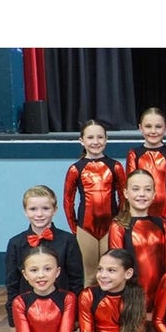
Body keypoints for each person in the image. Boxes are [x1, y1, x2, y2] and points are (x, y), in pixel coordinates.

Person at [108, 168, 166, 332]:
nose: (142, 194)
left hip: (159, 299)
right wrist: (134, 305)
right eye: (136, 189)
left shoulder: (162, 224)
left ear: (155, 194)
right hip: (134, 300)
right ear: (126, 193)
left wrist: (165, 301)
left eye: (147, 189)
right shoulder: (119, 226)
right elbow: (116, 270)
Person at [5, 184, 84, 330]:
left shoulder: (68, 240)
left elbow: (76, 280)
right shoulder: (15, 243)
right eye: (33, 209)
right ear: (25, 211)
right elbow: (12, 284)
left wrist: (76, 316)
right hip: (28, 311)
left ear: (55, 210)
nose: (39, 214)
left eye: (46, 208)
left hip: (62, 310)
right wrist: (12, 319)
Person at [63, 118, 127, 286]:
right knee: (90, 276)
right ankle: (89, 311)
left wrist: (120, 223)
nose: (95, 142)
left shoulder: (116, 166)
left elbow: (124, 198)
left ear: (106, 139)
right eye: (90, 138)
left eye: (100, 137)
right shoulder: (75, 169)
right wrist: (74, 228)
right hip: (86, 227)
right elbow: (68, 201)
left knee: (112, 274)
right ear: (81, 141)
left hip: (111, 226)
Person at [125, 106, 166, 236]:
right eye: (148, 126)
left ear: (165, 128)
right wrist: (134, 214)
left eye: (158, 127)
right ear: (140, 128)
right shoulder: (134, 154)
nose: (153, 131)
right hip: (139, 215)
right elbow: (130, 186)